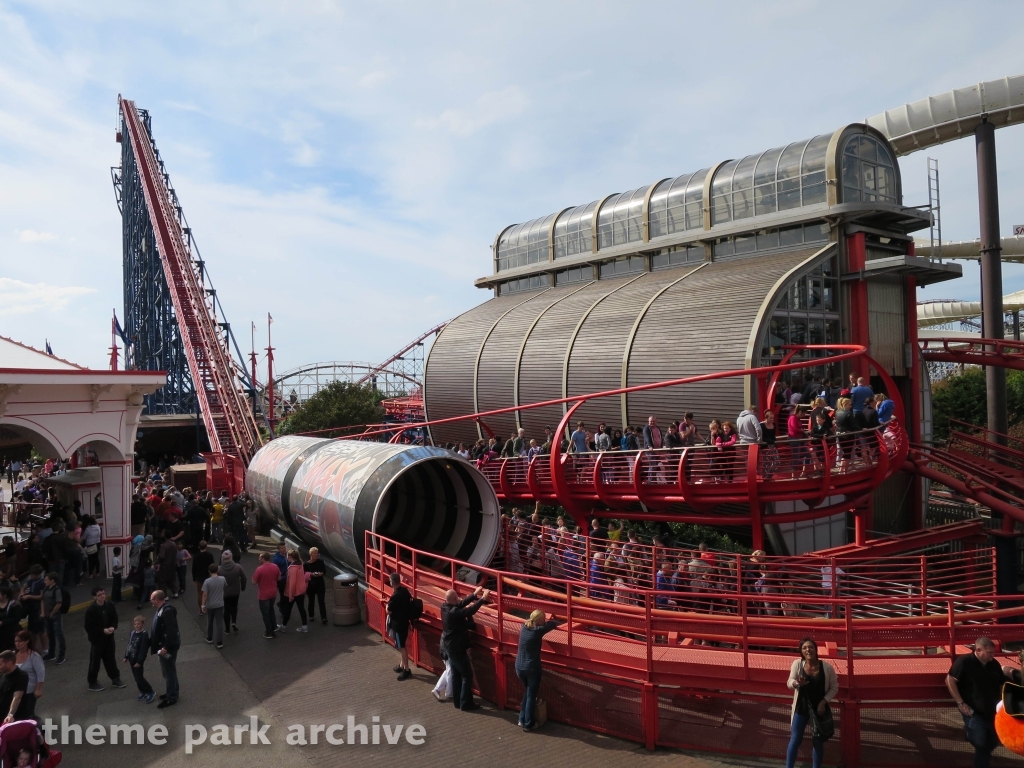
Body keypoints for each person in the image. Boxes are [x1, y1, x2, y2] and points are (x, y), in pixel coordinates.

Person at [947, 637, 1005, 768]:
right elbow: (950, 680)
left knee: (993, 741)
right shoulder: (964, 662)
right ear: (978, 650)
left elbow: (1001, 683)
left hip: (992, 711)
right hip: (973, 710)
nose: (992, 655)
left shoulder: (993, 664)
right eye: (989, 652)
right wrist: (960, 703)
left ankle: (971, 735)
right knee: (981, 743)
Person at [786, 638, 838, 768]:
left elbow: (834, 687)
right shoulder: (797, 664)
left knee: (817, 741)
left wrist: (824, 702)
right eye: (804, 648)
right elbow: (790, 682)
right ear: (801, 652)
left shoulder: (826, 667)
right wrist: (797, 683)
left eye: (810, 647)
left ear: (815, 649)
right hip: (802, 707)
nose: (808, 650)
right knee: (795, 740)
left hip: (818, 709)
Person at [441, 586, 488, 711]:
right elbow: (469, 611)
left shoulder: (445, 607)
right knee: (467, 674)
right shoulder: (454, 612)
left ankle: (458, 702)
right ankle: (465, 703)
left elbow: (461, 605)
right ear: (455, 598)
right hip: (457, 648)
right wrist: (482, 599)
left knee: (456, 674)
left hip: (449, 647)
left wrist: (474, 595)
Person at [516, 609, 561, 732]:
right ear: (541, 621)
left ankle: (521, 719)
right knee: (531, 695)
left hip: (519, 666)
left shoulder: (524, 627)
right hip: (531, 667)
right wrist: (550, 620)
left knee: (528, 692)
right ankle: (528, 723)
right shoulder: (538, 631)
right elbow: (553, 624)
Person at [84, 587, 124, 692]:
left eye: (103, 594)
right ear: (94, 597)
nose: (102, 596)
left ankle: (115, 678)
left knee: (110, 659)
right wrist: (102, 630)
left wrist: (113, 627)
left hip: (109, 638)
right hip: (97, 640)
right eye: (99, 595)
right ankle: (92, 682)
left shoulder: (109, 605)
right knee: (95, 661)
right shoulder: (91, 610)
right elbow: (89, 627)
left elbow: (115, 618)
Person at [149, 590, 180, 708]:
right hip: (165, 646)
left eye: (151, 599)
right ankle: (173, 692)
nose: (151, 601)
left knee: (168, 672)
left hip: (167, 648)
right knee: (170, 670)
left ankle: (171, 697)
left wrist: (165, 647)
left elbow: (171, 631)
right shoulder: (163, 609)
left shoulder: (166, 612)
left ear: (157, 600)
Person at [387, 573, 412, 681]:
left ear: (392, 582)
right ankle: (402, 665)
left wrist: (387, 607)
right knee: (402, 644)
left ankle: (406, 669)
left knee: (401, 647)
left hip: (397, 624)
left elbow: (389, 611)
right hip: (405, 622)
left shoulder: (394, 596)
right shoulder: (405, 591)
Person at [13, 631, 44, 720]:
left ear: (27, 641)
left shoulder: (34, 656)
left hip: (29, 691)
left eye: (20, 641)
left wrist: (38, 689)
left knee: (28, 713)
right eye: (16, 641)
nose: (17, 643)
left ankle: (38, 728)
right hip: (15, 691)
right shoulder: (13, 655)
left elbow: (40, 673)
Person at [124, 615, 155, 703]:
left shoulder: (144, 634)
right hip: (131, 658)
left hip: (138, 660)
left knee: (139, 677)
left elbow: (143, 649)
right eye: (135, 624)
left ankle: (150, 691)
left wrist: (140, 661)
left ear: (142, 624)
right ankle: (142, 690)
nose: (137, 626)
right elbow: (129, 645)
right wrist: (126, 656)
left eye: (138, 624)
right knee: (136, 677)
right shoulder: (132, 633)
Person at [253, 552, 282, 639]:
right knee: (271, 609)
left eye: (260, 558)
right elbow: (279, 578)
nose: (259, 559)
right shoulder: (275, 566)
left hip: (263, 594)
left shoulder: (259, 569)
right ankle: (274, 627)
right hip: (273, 593)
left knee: (265, 613)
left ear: (263, 559)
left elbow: (253, 582)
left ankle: (269, 632)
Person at [219, 550, 246, 634]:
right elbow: (244, 578)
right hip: (235, 591)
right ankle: (233, 622)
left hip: (224, 592)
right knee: (234, 607)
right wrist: (243, 587)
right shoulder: (238, 567)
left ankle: (227, 629)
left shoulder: (219, 569)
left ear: (222, 559)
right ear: (231, 557)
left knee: (226, 609)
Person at [281, 550, 308, 633]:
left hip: (293, 592)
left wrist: (290, 595)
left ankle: (283, 626)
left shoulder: (292, 568)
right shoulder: (300, 565)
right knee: (301, 609)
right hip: (301, 591)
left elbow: (292, 583)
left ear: (290, 557)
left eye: (287, 556)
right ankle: (304, 626)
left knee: (287, 609)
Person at [41, 573, 65, 664]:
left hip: (55, 616)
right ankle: (51, 654)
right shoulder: (46, 589)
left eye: (46, 580)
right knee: (50, 635)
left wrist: (52, 613)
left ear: (52, 580)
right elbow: (42, 600)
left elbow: (59, 603)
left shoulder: (56, 590)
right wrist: (43, 612)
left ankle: (62, 655)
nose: (45, 581)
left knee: (59, 635)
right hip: (47, 616)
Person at [201, 563, 226, 649]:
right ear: (217, 570)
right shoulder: (222, 579)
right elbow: (224, 587)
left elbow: (205, 594)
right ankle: (219, 642)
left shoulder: (207, 581)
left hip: (210, 604)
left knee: (210, 621)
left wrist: (203, 605)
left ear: (209, 571)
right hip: (220, 603)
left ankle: (209, 637)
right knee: (219, 623)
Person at [0, 651, 29, 724]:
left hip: (14, 719)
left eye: (0, 664)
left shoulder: (21, 676)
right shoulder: (2, 676)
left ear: (9, 663)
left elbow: (17, 697)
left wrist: (10, 714)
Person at [304, 547, 328, 626]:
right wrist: (311, 574)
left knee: (321, 601)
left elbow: (324, 571)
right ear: (310, 554)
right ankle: (311, 615)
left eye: (317, 553)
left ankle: (324, 617)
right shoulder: (306, 564)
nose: (316, 555)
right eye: (314, 553)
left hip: (320, 584)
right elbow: (304, 574)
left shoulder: (321, 562)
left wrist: (321, 574)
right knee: (311, 601)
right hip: (311, 585)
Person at [191, 540, 215, 612]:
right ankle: (209, 606)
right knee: (209, 592)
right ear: (206, 546)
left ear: (199, 547)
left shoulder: (196, 556)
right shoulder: (210, 556)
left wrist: (194, 578)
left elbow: (193, 568)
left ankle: (201, 609)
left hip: (199, 577)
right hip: (208, 576)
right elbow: (212, 566)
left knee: (200, 593)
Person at [0, 586, 24, 652]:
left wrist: (3, 622)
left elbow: (16, 619)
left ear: (5, 595)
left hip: (11, 632)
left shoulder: (14, 605)